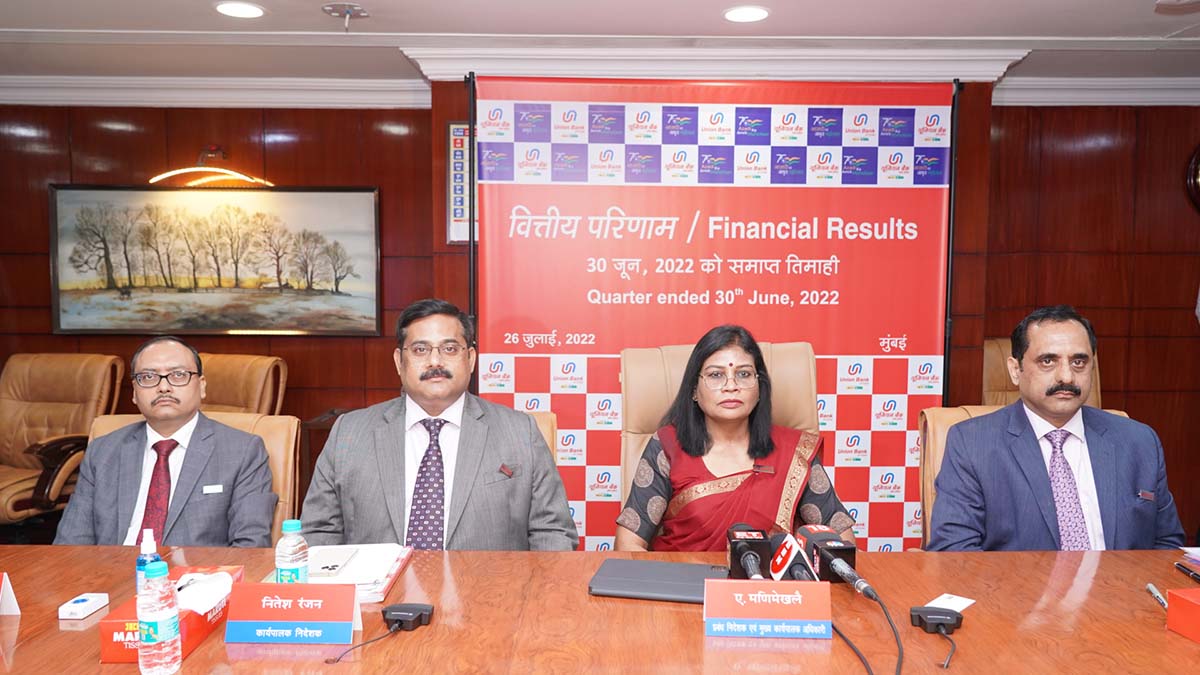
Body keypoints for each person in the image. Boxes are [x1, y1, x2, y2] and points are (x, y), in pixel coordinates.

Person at [300, 298, 577, 550]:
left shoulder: (520, 432)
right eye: (420, 349)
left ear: (470, 359)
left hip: (489, 589)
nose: (435, 361)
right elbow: (319, 533)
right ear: (399, 361)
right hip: (376, 590)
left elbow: (552, 533)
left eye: (449, 348)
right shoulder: (349, 433)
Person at [928, 305, 1184, 551]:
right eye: (1048, 361)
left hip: (1122, 582)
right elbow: (955, 553)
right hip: (1016, 583)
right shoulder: (972, 444)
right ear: (1015, 370)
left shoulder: (1139, 441)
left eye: (1079, 362)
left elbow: (1167, 545)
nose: (1067, 377)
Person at [615, 325, 855, 551]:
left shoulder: (795, 452)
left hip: (769, 581)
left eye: (743, 374)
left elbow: (840, 545)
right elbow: (627, 545)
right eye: (716, 375)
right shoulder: (668, 446)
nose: (731, 386)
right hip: (685, 579)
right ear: (694, 390)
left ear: (759, 388)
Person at [54, 336, 277, 547]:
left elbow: (250, 546)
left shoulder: (242, 451)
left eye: (178, 375)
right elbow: (71, 544)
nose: (163, 387)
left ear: (201, 386)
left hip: (196, 573)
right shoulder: (103, 451)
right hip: (111, 570)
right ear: (134, 392)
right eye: (148, 377)